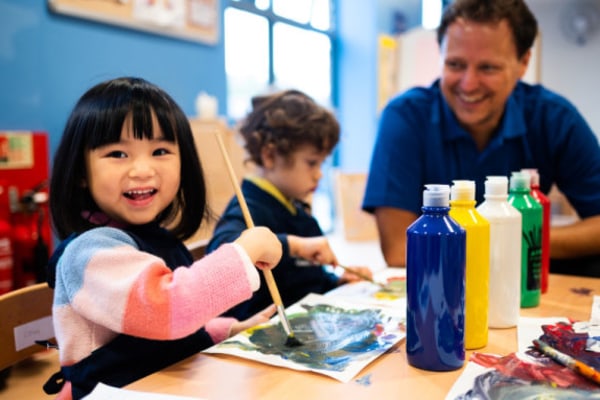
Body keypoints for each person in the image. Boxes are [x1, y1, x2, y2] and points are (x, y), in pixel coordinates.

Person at [44, 77, 283, 400]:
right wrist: (243, 251)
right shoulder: (89, 254)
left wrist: (224, 329)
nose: (142, 169)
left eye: (160, 151)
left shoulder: (156, 239)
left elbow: (158, 334)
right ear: (81, 174)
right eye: (117, 153)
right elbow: (167, 310)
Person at [362, 0, 600, 276]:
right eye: (455, 64)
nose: (468, 84)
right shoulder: (405, 117)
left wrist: (508, 237)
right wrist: (511, 240)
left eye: (487, 68)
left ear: (523, 63)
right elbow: (398, 249)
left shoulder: (554, 118)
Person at [207, 89, 373, 320]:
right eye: (311, 163)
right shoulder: (248, 208)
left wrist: (335, 282)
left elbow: (304, 280)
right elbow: (221, 254)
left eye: (321, 163)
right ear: (270, 155)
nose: (319, 175)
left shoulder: (295, 208)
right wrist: (292, 245)